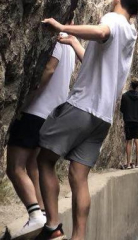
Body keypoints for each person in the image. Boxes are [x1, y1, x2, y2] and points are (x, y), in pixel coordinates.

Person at [35, 0, 138, 240]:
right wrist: (74, 43)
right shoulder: (130, 32)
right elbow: (99, 64)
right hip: (102, 118)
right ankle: (80, 237)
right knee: (79, 176)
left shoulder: (112, 19)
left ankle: (52, 226)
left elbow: (101, 32)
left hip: (82, 106)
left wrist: (63, 26)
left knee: (44, 160)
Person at [6, 33, 83, 236]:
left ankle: (35, 215)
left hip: (35, 111)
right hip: (52, 115)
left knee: (15, 167)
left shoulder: (58, 40)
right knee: (33, 165)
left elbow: (49, 68)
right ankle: (42, 214)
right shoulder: (71, 47)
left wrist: (26, 100)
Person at [119, 78, 138, 169]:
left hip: (128, 120)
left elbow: (122, 109)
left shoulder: (125, 96)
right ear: (137, 86)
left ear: (131, 85)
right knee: (137, 141)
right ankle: (137, 163)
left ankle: (129, 163)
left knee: (128, 141)